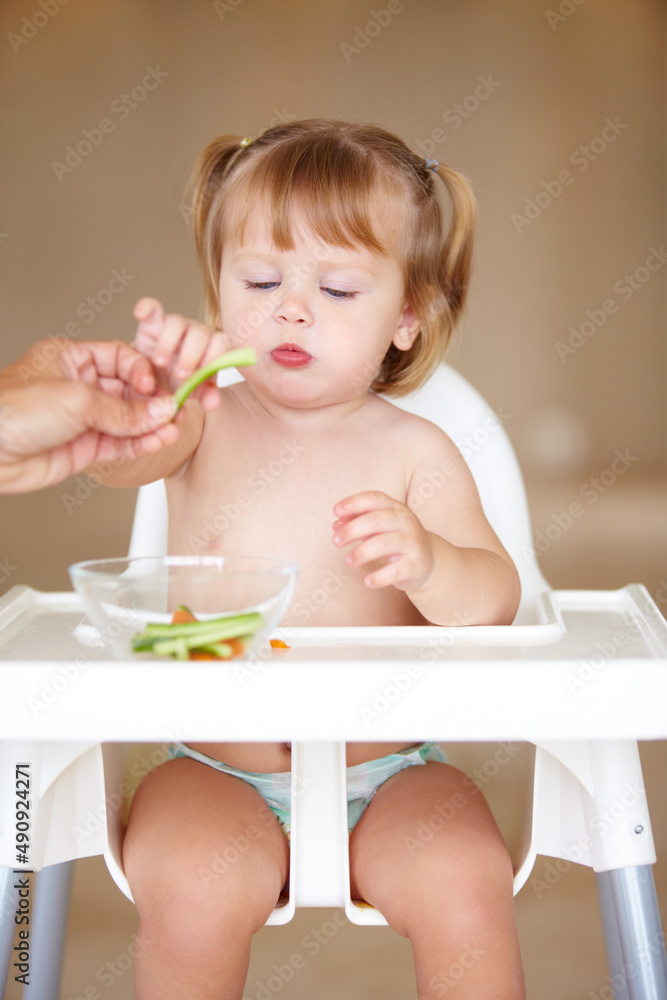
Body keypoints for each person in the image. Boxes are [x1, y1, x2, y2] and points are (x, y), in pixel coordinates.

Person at [94, 120, 525, 999]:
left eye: (334, 287)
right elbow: (118, 458)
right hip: (215, 768)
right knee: (188, 891)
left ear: (405, 316)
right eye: (259, 280)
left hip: (391, 771)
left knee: (465, 880)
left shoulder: (418, 451)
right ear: (218, 293)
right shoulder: (199, 417)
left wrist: (431, 562)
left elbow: (496, 597)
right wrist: (139, 400)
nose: (290, 308)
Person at [0, 338, 199, 493]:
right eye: (232, 281)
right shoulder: (203, 417)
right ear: (216, 311)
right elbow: (120, 463)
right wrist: (128, 399)